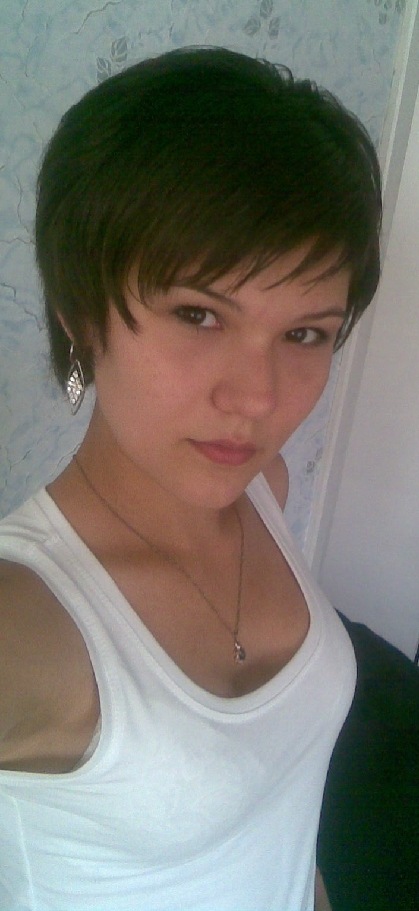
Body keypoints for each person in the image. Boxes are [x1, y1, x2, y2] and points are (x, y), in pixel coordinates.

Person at [0, 46, 381, 911]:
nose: (257, 398)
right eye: (199, 314)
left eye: (305, 333)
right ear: (80, 312)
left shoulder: (264, 490)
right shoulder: (25, 620)